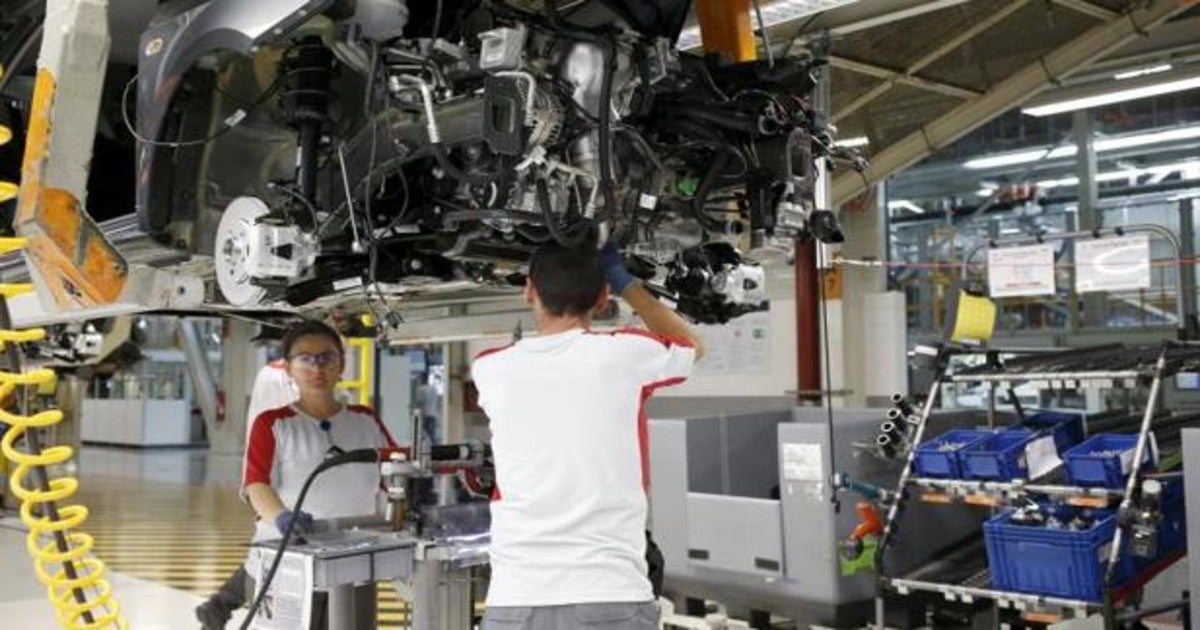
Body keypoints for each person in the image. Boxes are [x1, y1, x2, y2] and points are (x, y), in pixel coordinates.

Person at [471, 240, 705, 629]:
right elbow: (691, 346)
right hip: (609, 595)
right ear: (602, 299)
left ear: (529, 290)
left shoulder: (490, 369)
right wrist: (626, 282)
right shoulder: (625, 354)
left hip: (516, 600)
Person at [198, 320, 397, 629]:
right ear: (288, 368)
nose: (317, 368)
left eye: (327, 358)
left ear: (342, 364)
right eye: (305, 359)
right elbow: (255, 484)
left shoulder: (364, 420)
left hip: (355, 565)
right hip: (288, 565)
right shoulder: (274, 423)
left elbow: (396, 465)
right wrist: (281, 517)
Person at [196, 353, 299, 628]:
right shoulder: (279, 376)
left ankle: (217, 606)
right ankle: (219, 606)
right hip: (277, 480)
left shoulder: (273, 372)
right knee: (269, 557)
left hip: (273, 477)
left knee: (264, 555)